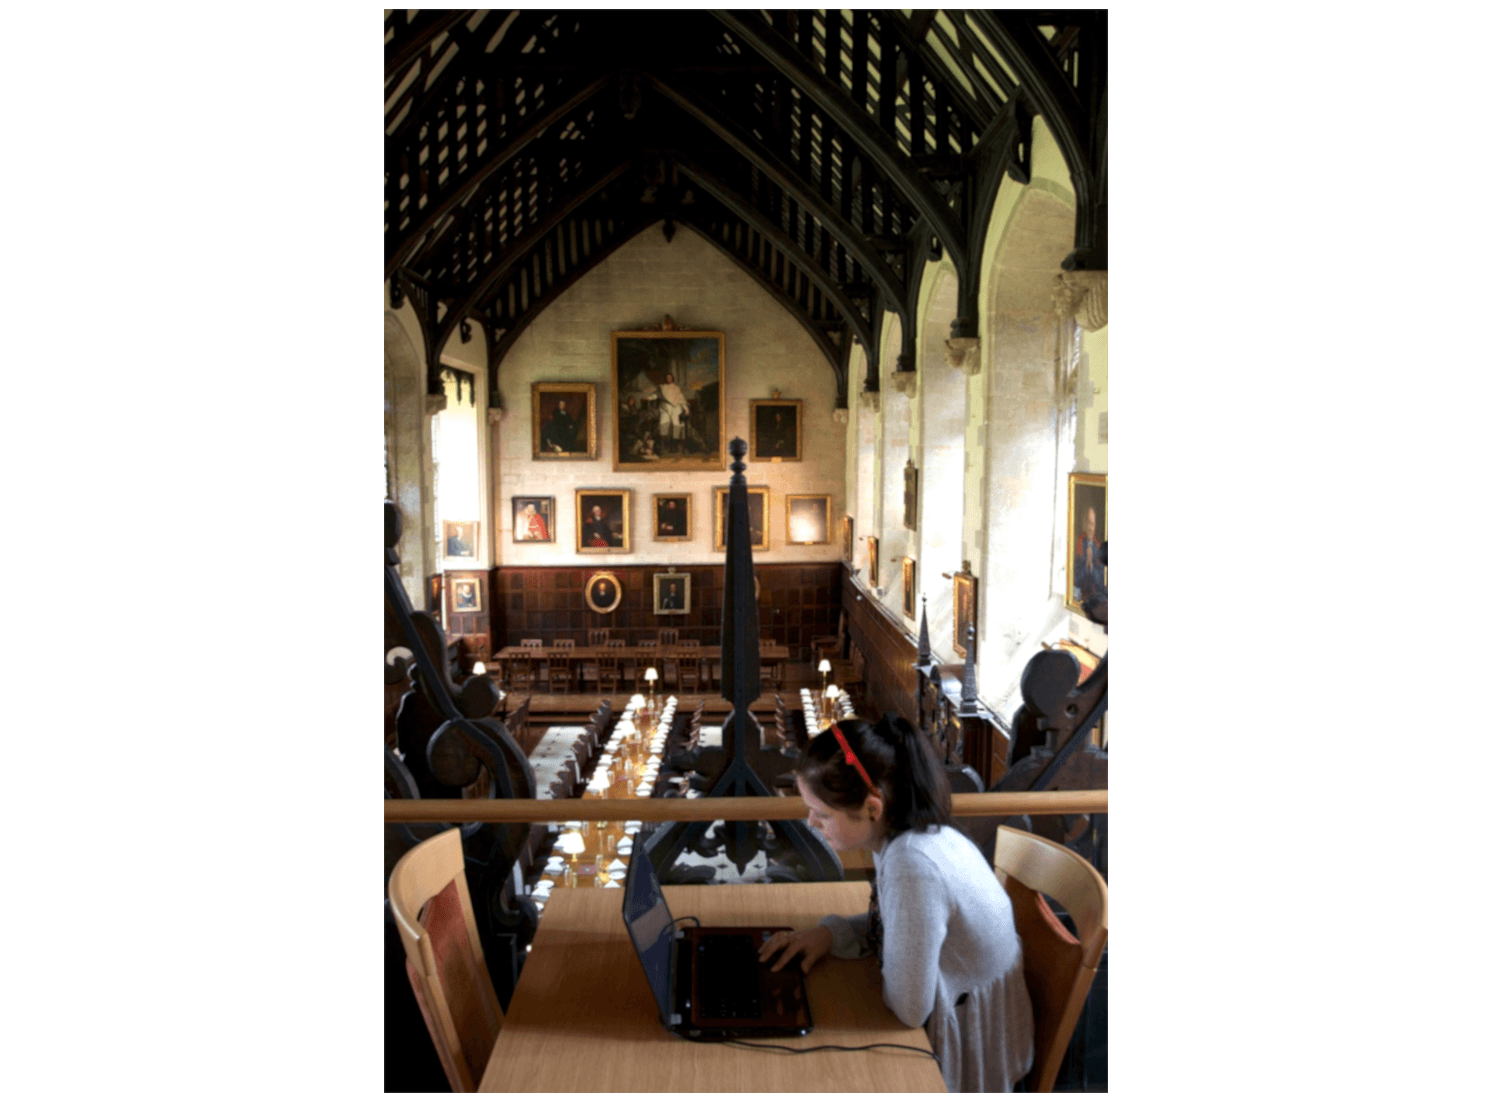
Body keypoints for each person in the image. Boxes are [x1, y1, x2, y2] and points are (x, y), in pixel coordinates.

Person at [758, 714, 1034, 1093]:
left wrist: (870, 951)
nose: (810, 823)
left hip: (966, 1048)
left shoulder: (913, 863)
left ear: (873, 807)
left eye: (822, 813)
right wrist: (830, 933)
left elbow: (908, 1009)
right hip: (965, 1012)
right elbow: (898, 925)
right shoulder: (909, 834)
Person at [1073, 505, 1105, 603]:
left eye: (1093, 524)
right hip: (1080, 595)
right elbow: (1075, 575)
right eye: (1089, 523)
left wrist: (1091, 566)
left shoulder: (1098, 547)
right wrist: (1086, 563)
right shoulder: (1080, 543)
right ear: (1085, 524)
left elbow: (1100, 579)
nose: (1091, 528)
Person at [656, 372, 689, 453]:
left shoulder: (676, 388)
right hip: (665, 408)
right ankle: (664, 448)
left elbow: (681, 399)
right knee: (663, 425)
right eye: (667, 377)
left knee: (676, 426)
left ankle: (675, 447)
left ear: (672, 378)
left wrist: (686, 408)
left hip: (675, 408)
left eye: (670, 377)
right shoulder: (662, 387)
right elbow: (657, 396)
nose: (668, 379)